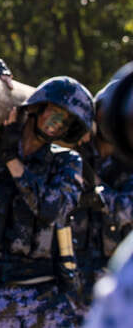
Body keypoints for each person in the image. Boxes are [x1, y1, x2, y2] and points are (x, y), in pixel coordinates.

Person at [0, 76, 94, 327]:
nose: (57, 124)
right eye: (55, 113)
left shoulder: (65, 162)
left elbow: (52, 210)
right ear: (36, 108)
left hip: (40, 297)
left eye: (66, 121)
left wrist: (12, 160)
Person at [69, 77, 133, 322]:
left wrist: (91, 179)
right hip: (70, 278)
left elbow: (124, 209)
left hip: (111, 268)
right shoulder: (79, 149)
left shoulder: (126, 163)